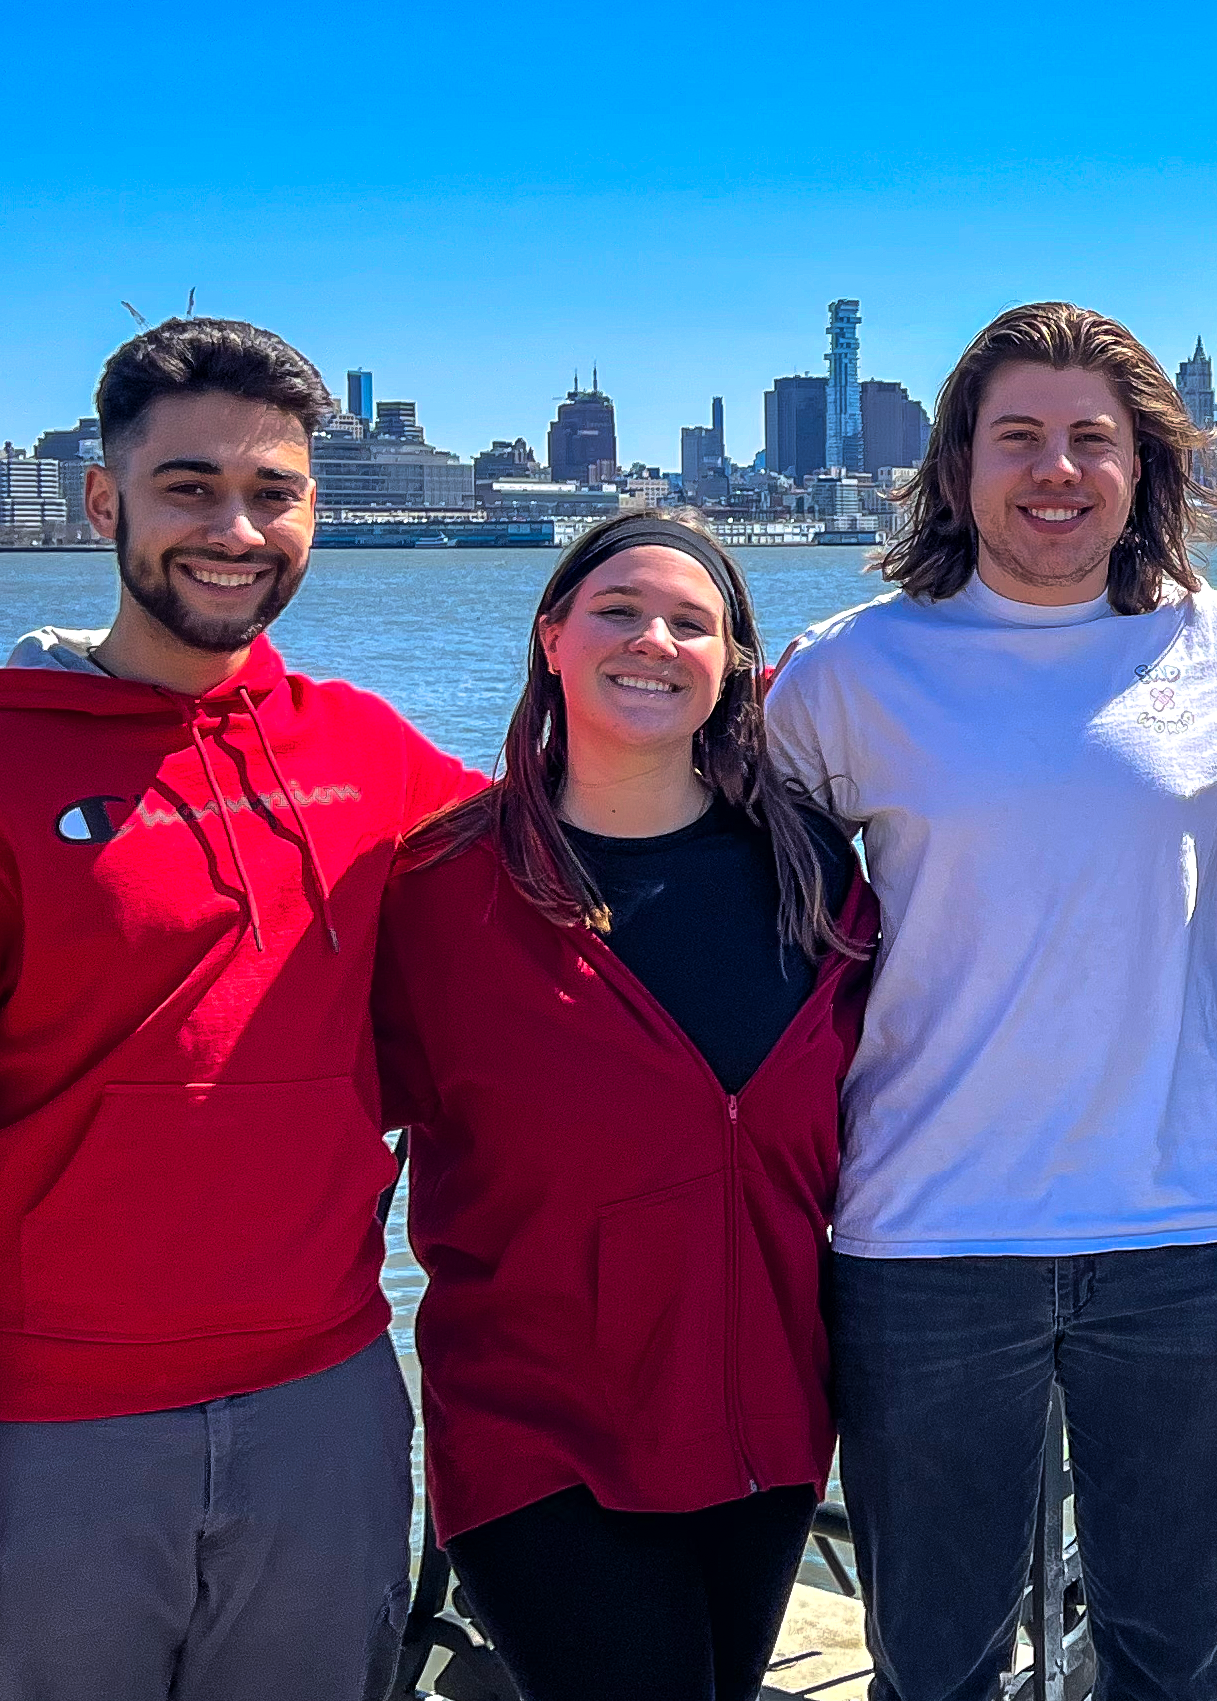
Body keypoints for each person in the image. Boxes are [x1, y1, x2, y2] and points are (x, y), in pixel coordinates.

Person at [0, 318, 480, 1698]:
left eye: (273, 492)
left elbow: (576, 844)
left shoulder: (363, 748)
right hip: (45, 1443)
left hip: (328, 1410)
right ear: (105, 502)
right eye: (190, 489)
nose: (235, 529)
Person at [762, 301, 1217, 1701]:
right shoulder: (848, 670)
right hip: (925, 1241)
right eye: (1019, 437)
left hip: (1191, 1237)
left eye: (1095, 439)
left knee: (1171, 1658)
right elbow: (687, 847)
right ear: (958, 465)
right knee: (938, 1665)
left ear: (1146, 468)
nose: (1058, 469)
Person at [375, 515, 876, 1701]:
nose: (652, 641)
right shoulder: (443, 890)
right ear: (551, 638)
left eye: (690, 623)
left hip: (766, 1430)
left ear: (735, 667)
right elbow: (311, 1127)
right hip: (538, 1434)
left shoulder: (811, 873)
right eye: (616, 611)